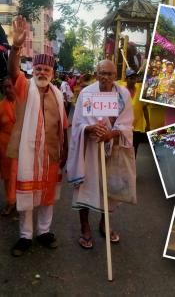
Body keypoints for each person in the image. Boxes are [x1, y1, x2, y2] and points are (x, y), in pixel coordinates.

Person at [7, 16, 68, 257]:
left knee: (48, 196)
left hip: (51, 153)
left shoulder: (58, 94)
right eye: (39, 68)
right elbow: (13, 70)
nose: (42, 72)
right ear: (33, 69)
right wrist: (16, 46)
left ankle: (44, 232)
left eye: (46, 69)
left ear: (52, 72)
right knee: (27, 197)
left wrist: (65, 151)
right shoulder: (24, 85)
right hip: (28, 153)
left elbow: (63, 126)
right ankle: (25, 236)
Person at [67, 59, 136, 249]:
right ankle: (85, 227)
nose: (105, 77)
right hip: (89, 150)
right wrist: (89, 129)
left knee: (110, 190)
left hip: (112, 149)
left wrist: (111, 133)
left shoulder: (122, 95)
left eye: (110, 74)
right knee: (86, 188)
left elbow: (128, 123)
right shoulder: (86, 93)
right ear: (96, 73)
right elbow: (78, 124)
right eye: (102, 73)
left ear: (116, 76)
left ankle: (104, 224)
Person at [0, 77, 17, 216]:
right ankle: (10, 202)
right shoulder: (0, 106)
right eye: (5, 87)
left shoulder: (22, 103)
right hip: (5, 146)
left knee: (20, 175)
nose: (7, 89)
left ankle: (19, 200)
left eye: (9, 86)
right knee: (8, 177)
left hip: (20, 145)